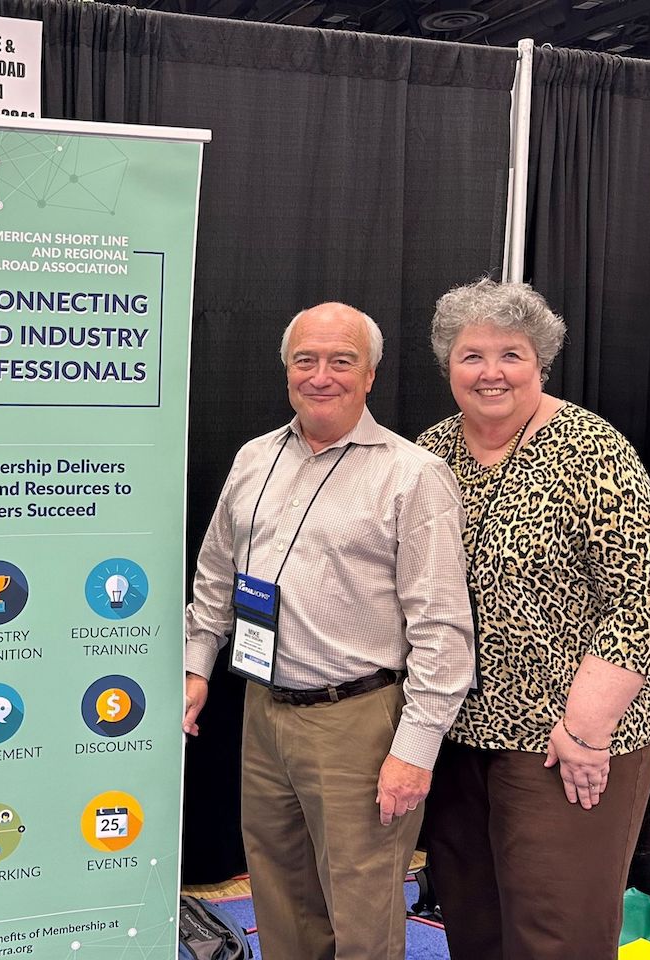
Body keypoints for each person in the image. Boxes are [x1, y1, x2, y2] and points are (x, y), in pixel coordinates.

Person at [183, 301, 475, 960]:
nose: (322, 375)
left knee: (363, 913)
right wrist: (197, 665)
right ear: (287, 369)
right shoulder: (254, 459)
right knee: (280, 898)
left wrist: (415, 750)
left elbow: (442, 629)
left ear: (370, 374)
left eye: (341, 361)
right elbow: (215, 576)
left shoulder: (413, 476)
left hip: (360, 724)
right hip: (264, 712)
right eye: (305, 360)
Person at [415, 278, 650, 960]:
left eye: (511, 354)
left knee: (554, 932)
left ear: (541, 361)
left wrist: (587, 731)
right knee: (474, 919)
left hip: (565, 742)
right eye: (472, 355)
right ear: (448, 363)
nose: (491, 373)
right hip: (457, 735)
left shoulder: (589, 450)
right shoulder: (431, 453)